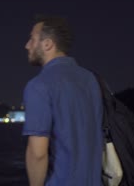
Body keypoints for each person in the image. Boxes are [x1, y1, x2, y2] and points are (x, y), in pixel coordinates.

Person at [22, 15, 103, 186]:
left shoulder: (39, 86)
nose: (27, 45)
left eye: (32, 39)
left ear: (47, 44)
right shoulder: (91, 80)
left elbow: (38, 153)